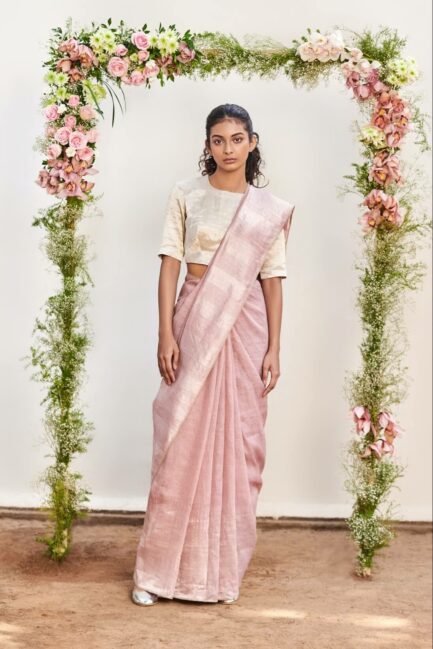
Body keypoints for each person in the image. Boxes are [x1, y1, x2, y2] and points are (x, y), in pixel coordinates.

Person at [131, 103, 295, 606]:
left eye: (237, 139)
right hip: (193, 321)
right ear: (207, 145)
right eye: (218, 140)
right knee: (178, 443)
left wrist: (274, 346)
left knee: (240, 446)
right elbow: (169, 265)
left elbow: (272, 281)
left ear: (252, 143)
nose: (228, 149)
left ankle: (218, 574)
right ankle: (155, 574)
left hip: (245, 330)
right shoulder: (187, 194)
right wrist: (165, 332)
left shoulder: (266, 210)